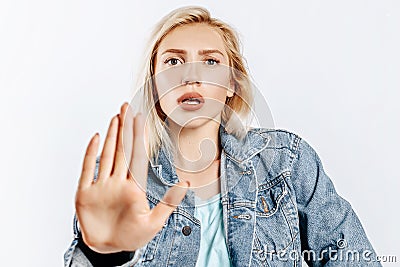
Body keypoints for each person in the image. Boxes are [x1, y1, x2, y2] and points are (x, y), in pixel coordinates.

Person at [64, 6, 382, 267]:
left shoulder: (287, 160)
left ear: (232, 85)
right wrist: (102, 254)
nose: (191, 75)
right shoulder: (119, 181)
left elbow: (351, 258)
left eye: (211, 61)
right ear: (155, 84)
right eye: (173, 61)